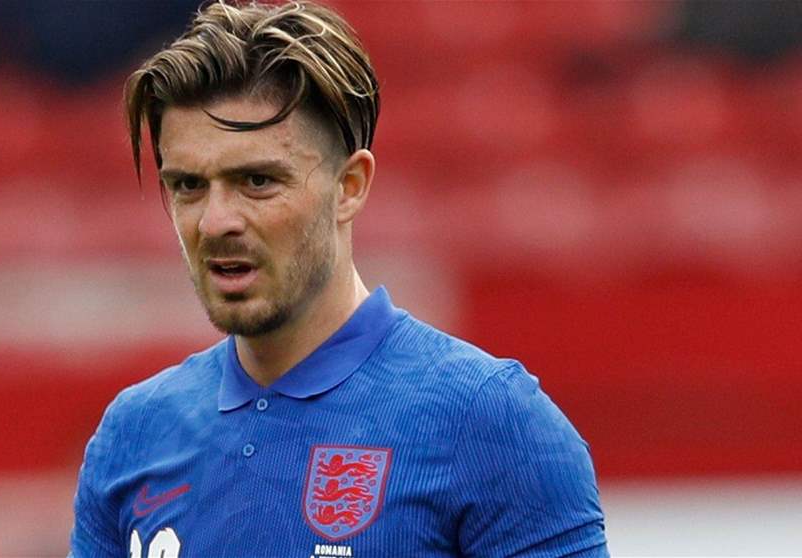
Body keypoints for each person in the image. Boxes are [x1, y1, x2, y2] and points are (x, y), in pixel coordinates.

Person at [70, 2, 608, 556]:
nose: (215, 222)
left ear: (349, 186)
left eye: (257, 180)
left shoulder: (489, 421)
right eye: (188, 186)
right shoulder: (133, 436)